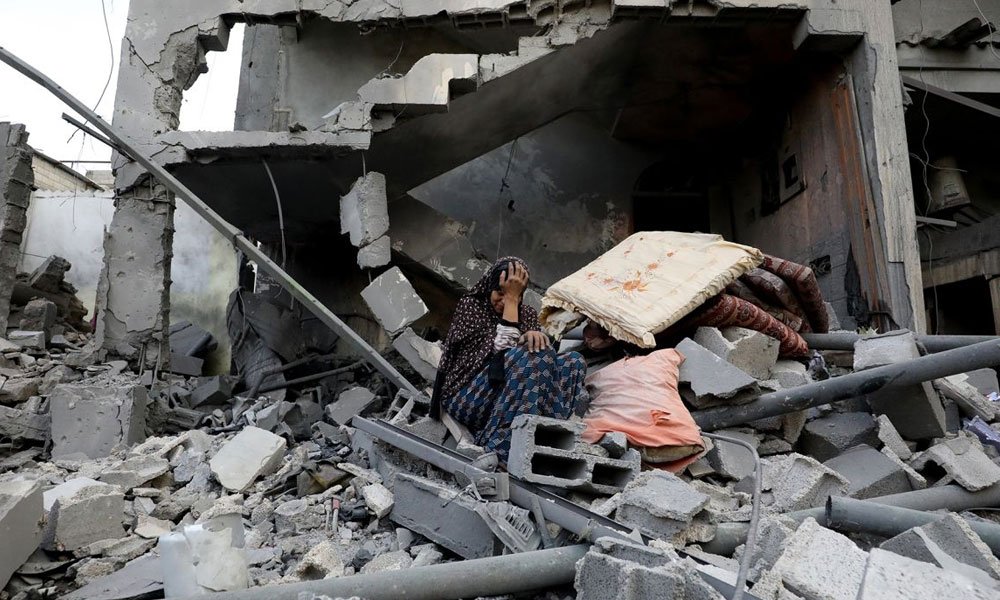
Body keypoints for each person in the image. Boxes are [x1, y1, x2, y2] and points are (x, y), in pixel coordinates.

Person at [431, 257, 587, 462]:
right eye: (500, 293)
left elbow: (537, 361)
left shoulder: (527, 314)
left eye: (514, 295)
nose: (504, 301)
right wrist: (512, 302)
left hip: (506, 400)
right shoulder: (471, 307)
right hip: (466, 397)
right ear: (489, 288)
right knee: (528, 354)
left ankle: (543, 439)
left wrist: (535, 337)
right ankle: (498, 445)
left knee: (572, 362)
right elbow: (499, 364)